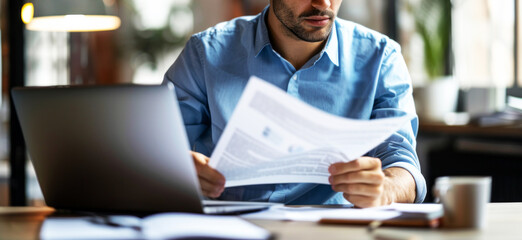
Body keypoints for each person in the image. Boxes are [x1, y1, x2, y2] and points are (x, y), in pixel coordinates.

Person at [163, 0, 426, 208]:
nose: (323, 3)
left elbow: (404, 165)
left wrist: (386, 188)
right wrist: (178, 169)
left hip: (334, 230)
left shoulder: (381, 58)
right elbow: (156, 151)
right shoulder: (205, 54)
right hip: (231, 227)